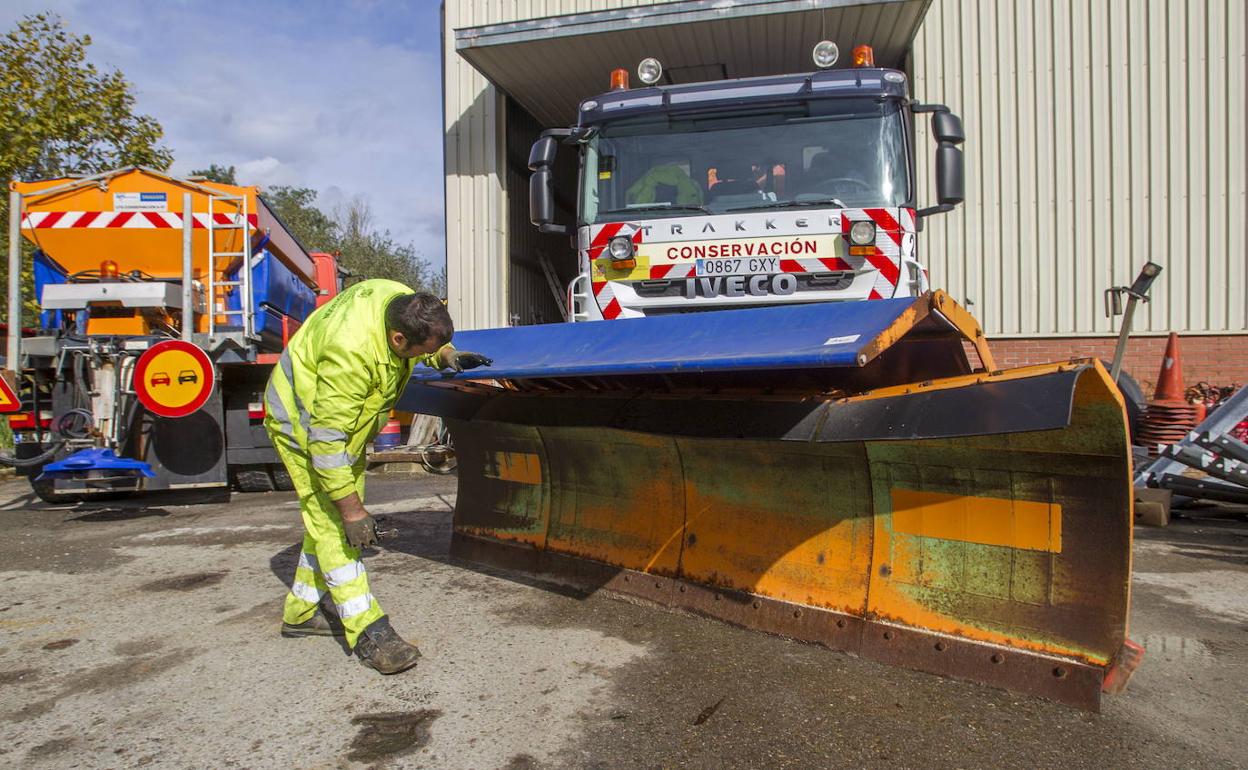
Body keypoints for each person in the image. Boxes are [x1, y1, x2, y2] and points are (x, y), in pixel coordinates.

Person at [264, 279, 491, 674]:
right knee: (337, 521)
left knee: (327, 523)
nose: (428, 354)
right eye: (426, 350)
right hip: (302, 427)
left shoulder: (395, 296)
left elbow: (414, 351)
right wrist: (352, 511)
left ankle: (300, 613)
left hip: (341, 430)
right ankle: (369, 630)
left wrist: (445, 355)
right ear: (398, 338)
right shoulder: (349, 356)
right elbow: (325, 444)